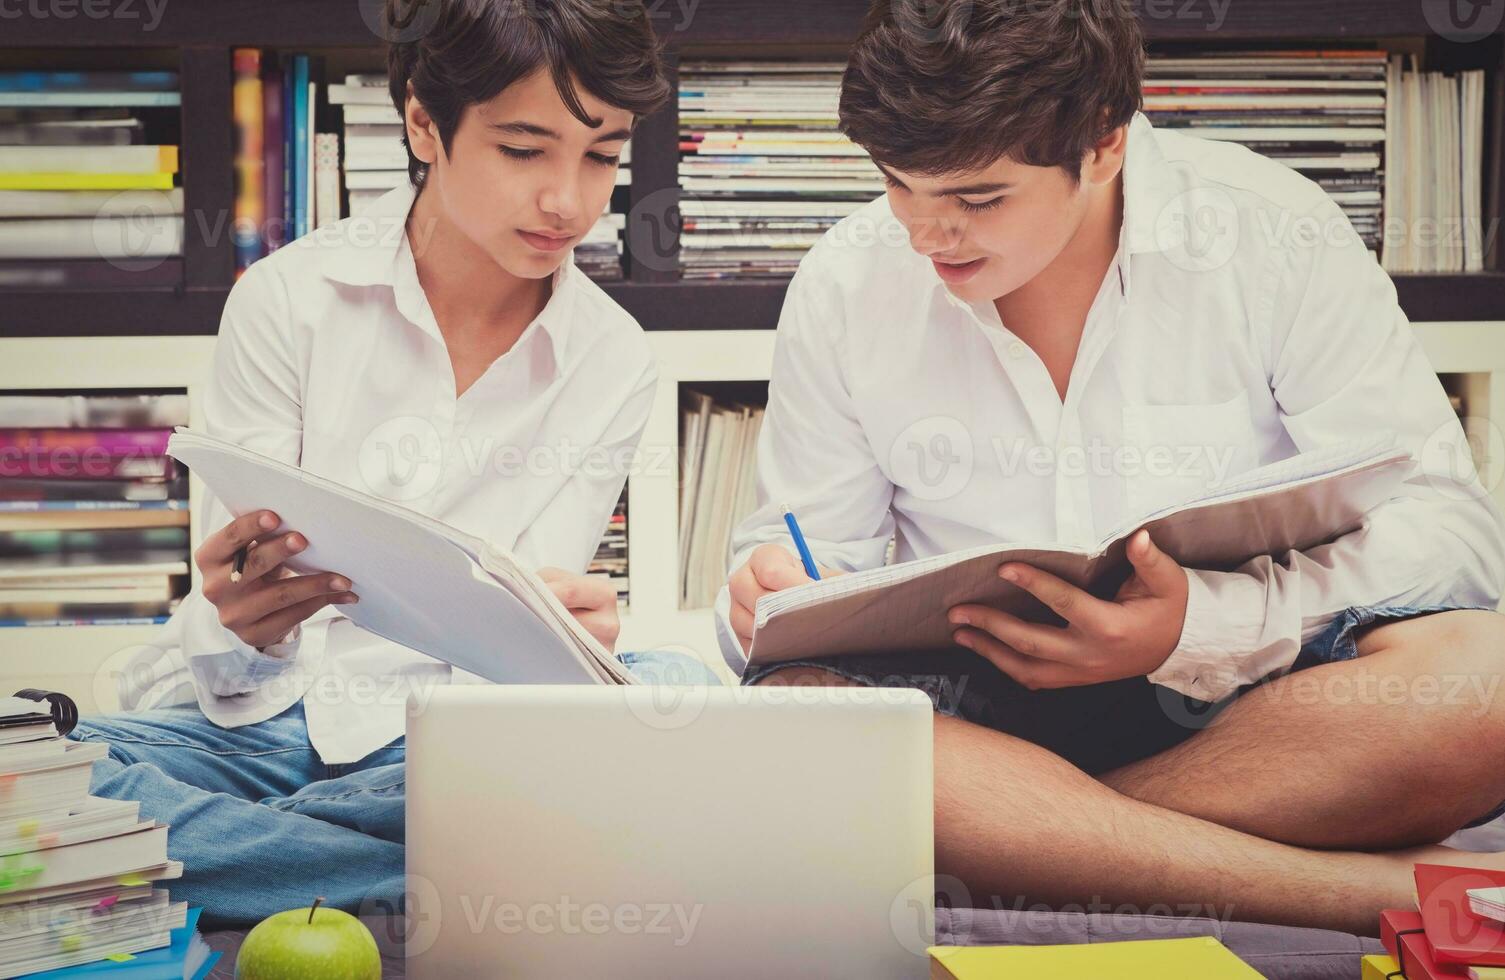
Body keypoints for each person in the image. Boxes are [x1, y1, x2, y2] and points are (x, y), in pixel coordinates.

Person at [722, 0, 1505, 936]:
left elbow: (1453, 537)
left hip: (1244, 700)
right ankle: (1356, 889)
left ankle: (1022, 838)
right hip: (973, 706)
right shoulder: (846, 279)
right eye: (898, 186)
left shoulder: (1270, 234)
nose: (928, 236)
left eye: (977, 199)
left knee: (1481, 678)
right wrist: (769, 589)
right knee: (798, 719)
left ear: (1104, 145)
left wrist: (1199, 625)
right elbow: (805, 550)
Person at [70, 0, 714, 927]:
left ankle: (272, 860)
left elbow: (513, 675)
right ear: (423, 123)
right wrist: (245, 625)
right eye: (524, 149)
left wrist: (567, 647)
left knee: (685, 691)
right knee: (37, 764)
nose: (568, 200)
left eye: (601, 154)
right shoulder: (287, 300)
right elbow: (228, 650)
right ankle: (441, 880)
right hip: (253, 727)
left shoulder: (610, 357)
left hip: (443, 745)